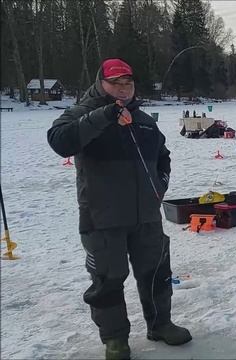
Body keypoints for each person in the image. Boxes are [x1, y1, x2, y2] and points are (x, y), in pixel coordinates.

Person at [47, 58, 191, 359]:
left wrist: (160, 184)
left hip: (146, 216)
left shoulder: (144, 120)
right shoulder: (83, 113)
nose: (123, 90)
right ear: (101, 83)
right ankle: (115, 340)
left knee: (156, 273)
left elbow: (162, 156)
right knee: (108, 280)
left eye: (128, 83)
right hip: (102, 217)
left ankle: (161, 324)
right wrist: (105, 116)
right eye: (116, 83)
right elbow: (60, 141)